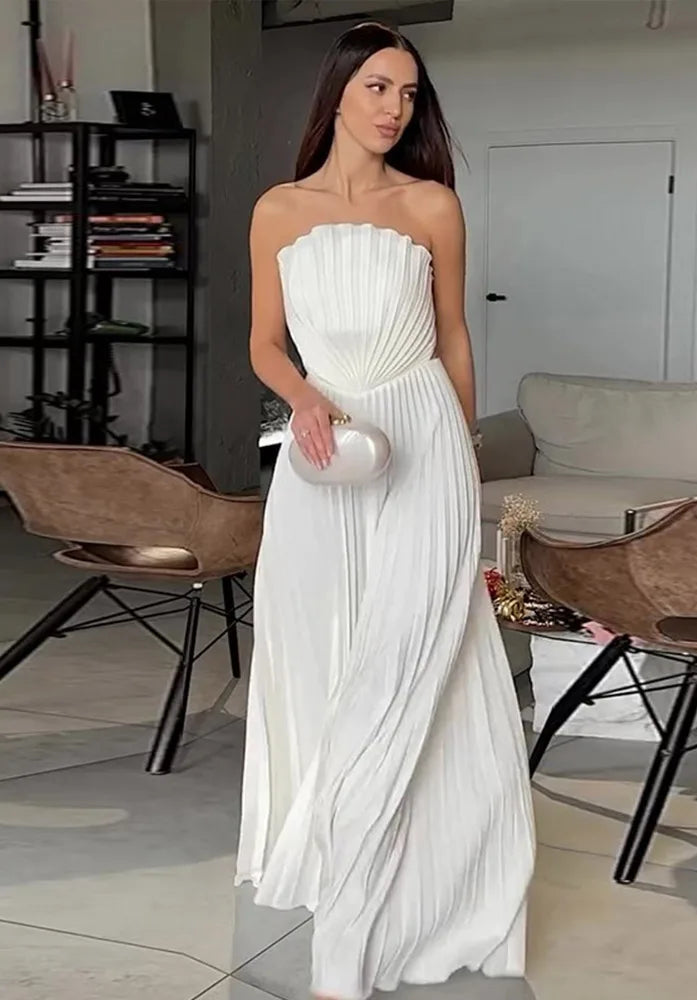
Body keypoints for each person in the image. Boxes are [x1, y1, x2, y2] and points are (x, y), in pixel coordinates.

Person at [236, 21, 535, 1000]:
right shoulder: (279, 209)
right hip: (323, 456)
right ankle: (349, 858)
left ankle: (349, 950)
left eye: (408, 92)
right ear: (338, 93)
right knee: (329, 659)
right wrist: (306, 398)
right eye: (377, 86)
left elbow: (453, 341)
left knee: (402, 668)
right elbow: (264, 343)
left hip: (423, 446)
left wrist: (464, 463)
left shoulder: (432, 205)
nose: (394, 106)